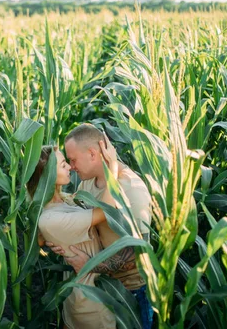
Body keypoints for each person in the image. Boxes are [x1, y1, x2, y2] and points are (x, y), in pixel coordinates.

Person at [46, 123, 154, 329]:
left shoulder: (132, 189)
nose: (71, 166)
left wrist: (90, 264)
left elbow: (139, 254)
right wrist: (59, 242)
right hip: (100, 288)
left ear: (93, 154)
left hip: (130, 294)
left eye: (73, 159)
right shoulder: (86, 184)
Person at [28, 145, 118, 329]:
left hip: (85, 295)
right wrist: (113, 167)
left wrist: (46, 240)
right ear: (48, 177)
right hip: (91, 304)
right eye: (63, 165)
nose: (69, 167)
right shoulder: (50, 219)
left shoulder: (65, 199)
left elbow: (40, 239)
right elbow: (106, 212)